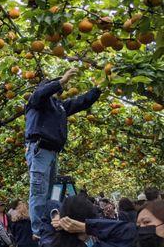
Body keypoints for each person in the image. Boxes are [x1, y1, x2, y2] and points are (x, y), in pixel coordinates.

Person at [24, 67, 102, 238]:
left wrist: (97, 89)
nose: (59, 92)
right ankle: (37, 230)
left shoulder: (59, 107)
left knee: (49, 191)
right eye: (56, 89)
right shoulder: (36, 102)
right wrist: (60, 81)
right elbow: (40, 95)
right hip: (40, 149)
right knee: (39, 190)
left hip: (52, 151)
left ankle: (46, 224)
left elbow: (81, 102)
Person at [51, 195, 137, 247]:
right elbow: (132, 233)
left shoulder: (51, 241)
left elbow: (48, 203)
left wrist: (54, 213)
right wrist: (87, 227)